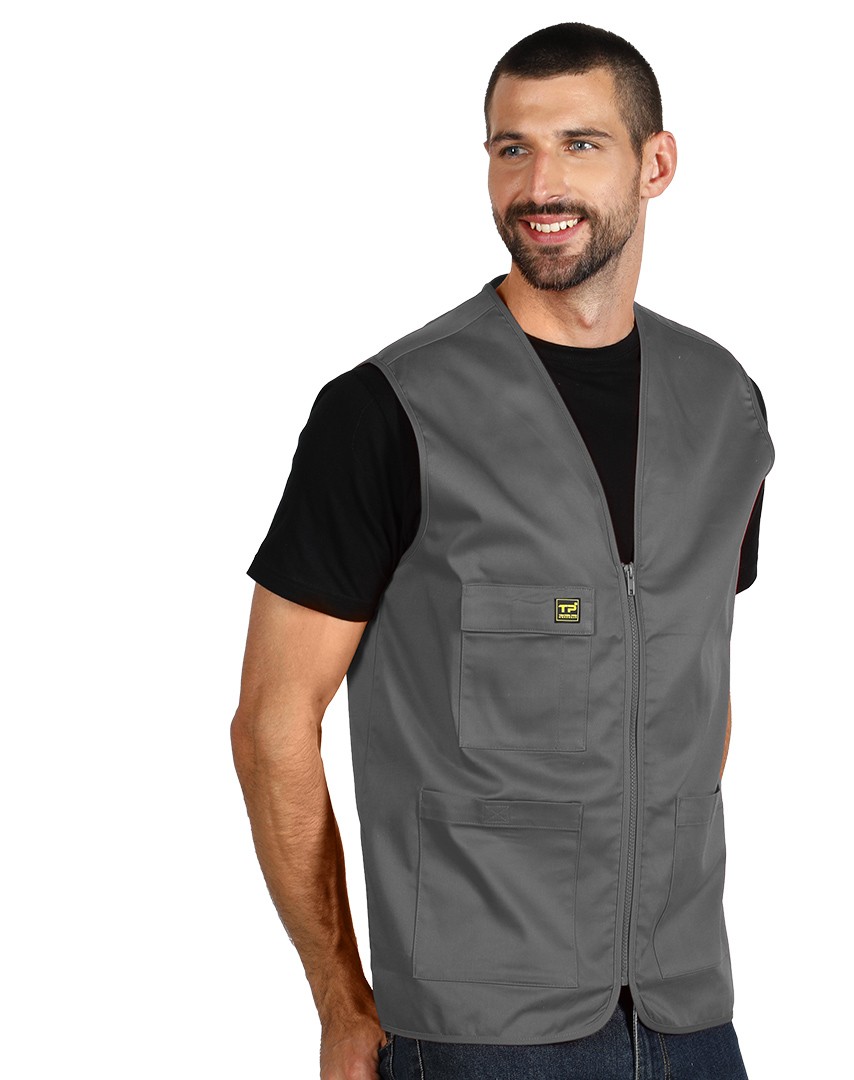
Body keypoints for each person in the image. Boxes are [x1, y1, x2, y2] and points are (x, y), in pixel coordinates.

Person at [232, 22, 774, 1080]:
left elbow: (692, 682)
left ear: (656, 163)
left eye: (581, 144)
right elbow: (271, 725)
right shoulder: (385, 412)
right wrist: (341, 999)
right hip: (475, 1035)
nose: (539, 185)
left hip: (691, 1014)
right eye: (511, 148)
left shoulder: (726, 407)